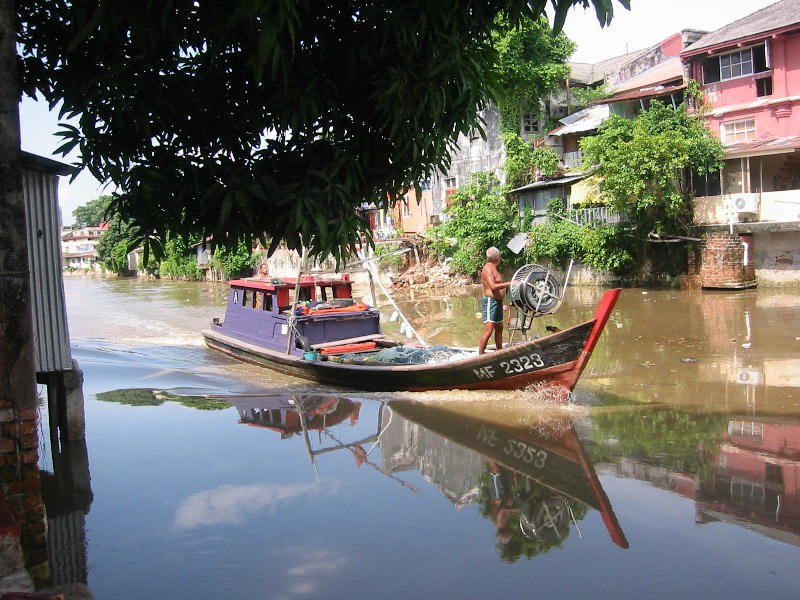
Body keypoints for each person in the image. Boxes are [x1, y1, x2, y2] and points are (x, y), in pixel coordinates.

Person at [479, 246, 510, 354]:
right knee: (489, 329)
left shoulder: (493, 268)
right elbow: (492, 286)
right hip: (490, 301)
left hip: (498, 302)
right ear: (497, 257)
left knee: (499, 327)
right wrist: (510, 283)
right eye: (500, 255)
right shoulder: (487, 269)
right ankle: (480, 355)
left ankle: (499, 351)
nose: (500, 257)